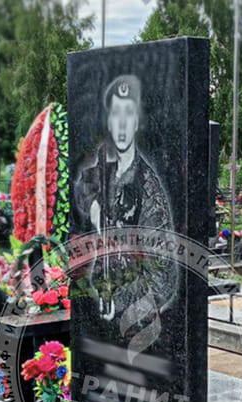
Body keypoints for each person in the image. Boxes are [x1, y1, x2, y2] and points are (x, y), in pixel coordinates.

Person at [73, 74, 178, 347]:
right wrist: (95, 208)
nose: (121, 123)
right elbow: (84, 184)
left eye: (128, 113)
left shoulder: (147, 190)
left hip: (134, 326)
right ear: (109, 121)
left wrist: (117, 299)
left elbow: (162, 279)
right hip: (100, 319)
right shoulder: (106, 165)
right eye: (116, 113)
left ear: (136, 122)